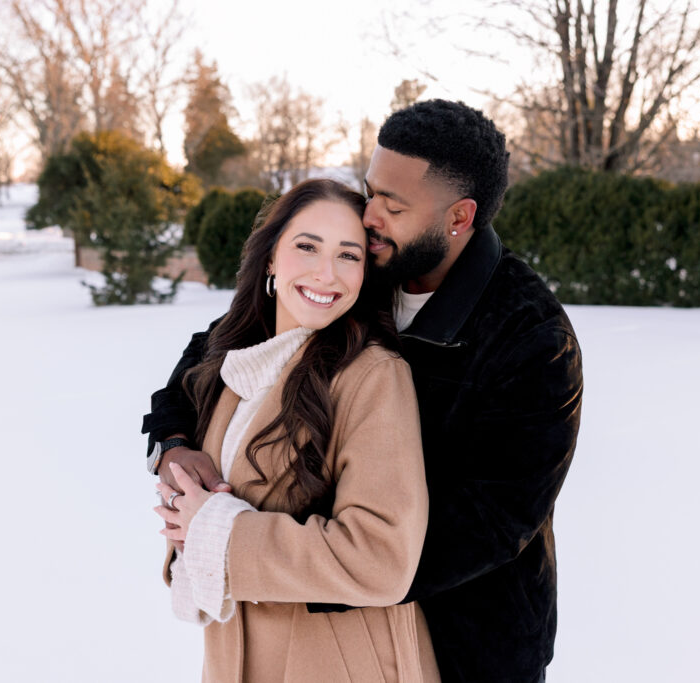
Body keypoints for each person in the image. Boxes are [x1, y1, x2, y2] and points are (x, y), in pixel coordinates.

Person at [144, 100, 584, 682]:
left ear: (458, 217)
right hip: (312, 629)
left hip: (469, 640)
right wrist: (175, 443)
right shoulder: (361, 267)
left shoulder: (532, 339)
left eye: (393, 206)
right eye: (370, 190)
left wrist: (243, 540)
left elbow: (489, 524)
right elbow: (216, 355)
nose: (368, 216)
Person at [152, 179, 438, 682]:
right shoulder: (240, 363)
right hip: (236, 658)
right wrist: (177, 463)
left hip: (340, 663)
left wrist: (223, 533)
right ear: (270, 258)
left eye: (348, 255)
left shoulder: (373, 376)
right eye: (307, 246)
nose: (326, 273)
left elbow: (383, 559)